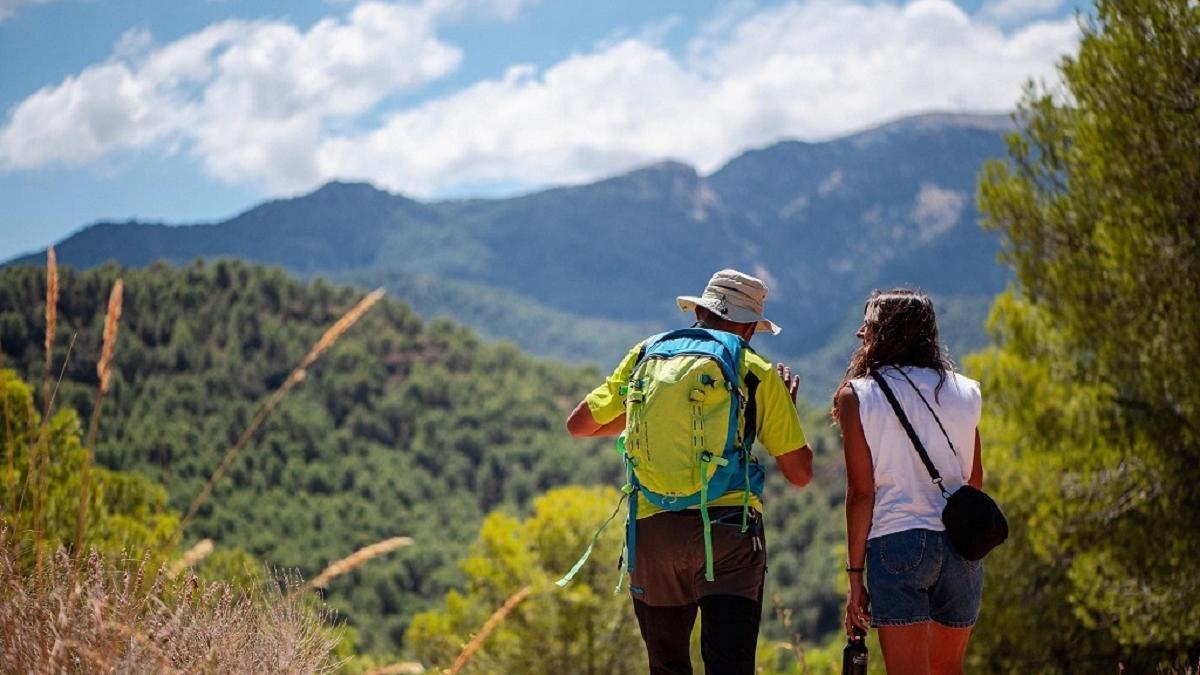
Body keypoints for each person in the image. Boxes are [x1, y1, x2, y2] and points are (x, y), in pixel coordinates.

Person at [566, 269, 814, 675]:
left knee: (666, 666)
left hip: (652, 533)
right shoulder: (753, 367)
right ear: (750, 325)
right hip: (727, 534)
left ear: (700, 310)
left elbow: (579, 425)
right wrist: (779, 410)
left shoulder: (648, 352)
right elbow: (800, 473)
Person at [834, 289, 985, 674]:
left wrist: (854, 577)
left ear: (883, 333)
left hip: (897, 543)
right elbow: (974, 482)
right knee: (948, 668)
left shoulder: (858, 396)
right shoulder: (966, 390)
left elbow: (862, 493)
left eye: (866, 327)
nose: (858, 335)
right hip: (959, 545)